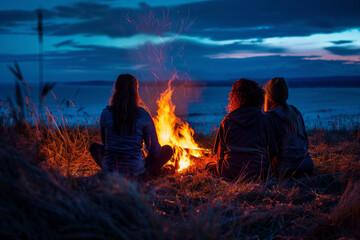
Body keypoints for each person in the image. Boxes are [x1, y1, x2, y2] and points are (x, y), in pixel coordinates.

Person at [89, 74, 173, 179]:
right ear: (135, 91)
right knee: (168, 150)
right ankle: (144, 175)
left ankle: (113, 174)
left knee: (94, 147)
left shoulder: (106, 114)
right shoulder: (143, 115)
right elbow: (155, 152)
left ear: (116, 90)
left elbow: (106, 145)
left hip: (110, 172)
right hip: (136, 173)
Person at [206, 79, 275, 181]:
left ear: (235, 97)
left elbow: (219, 155)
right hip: (259, 175)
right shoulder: (266, 120)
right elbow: (272, 152)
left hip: (229, 174)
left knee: (209, 166)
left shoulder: (227, 121)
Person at [264, 77, 314, 178]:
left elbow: (270, 151)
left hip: (287, 170)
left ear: (269, 96)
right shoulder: (295, 112)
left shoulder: (269, 117)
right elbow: (305, 140)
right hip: (307, 165)